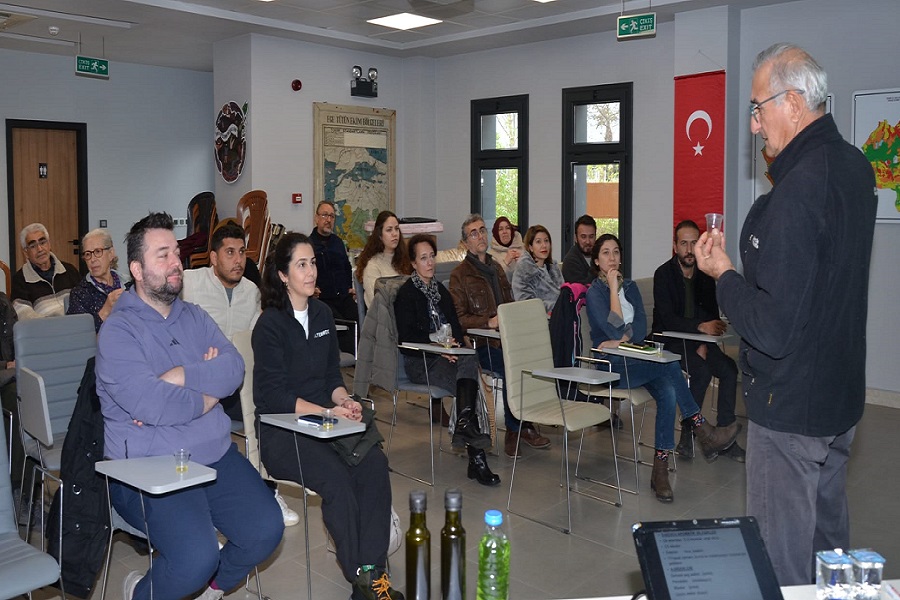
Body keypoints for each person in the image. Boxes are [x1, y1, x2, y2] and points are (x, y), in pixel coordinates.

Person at [696, 43, 877, 586]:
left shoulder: (796, 191)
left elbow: (772, 327)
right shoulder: (854, 166)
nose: (754, 126)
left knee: (782, 566)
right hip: (838, 396)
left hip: (791, 406)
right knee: (828, 549)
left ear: (793, 103)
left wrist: (724, 275)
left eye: (758, 108)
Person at [95, 212, 283, 600]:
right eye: (162, 255)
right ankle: (143, 593)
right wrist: (206, 383)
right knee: (197, 557)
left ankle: (210, 591)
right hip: (147, 468)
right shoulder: (118, 331)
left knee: (266, 528)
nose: (176, 262)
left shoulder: (194, 316)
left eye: (176, 252)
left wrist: (181, 373)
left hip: (211, 455)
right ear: (137, 269)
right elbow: (152, 402)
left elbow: (233, 368)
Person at [252, 232, 403, 600]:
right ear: (283, 275)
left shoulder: (321, 313)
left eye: (313, 262)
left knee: (373, 465)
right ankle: (361, 578)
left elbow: (332, 378)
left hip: (326, 423)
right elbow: (272, 397)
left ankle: (373, 574)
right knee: (337, 481)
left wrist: (345, 400)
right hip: (283, 432)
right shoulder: (269, 325)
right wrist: (326, 410)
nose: (311, 271)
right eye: (301, 264)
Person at [586, 234, 739, 503]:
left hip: (636, 359)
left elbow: (642, 329)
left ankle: (660, 470)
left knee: (668, 389)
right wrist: (612, 290)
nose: (612, 258)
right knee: (669, 365)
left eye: (616, 252)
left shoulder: (631, 287)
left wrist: (623, 335)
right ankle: (702, 429)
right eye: (606, 253)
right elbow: (613, 328)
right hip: (609, 365)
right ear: (597, 260)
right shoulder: (594, 292)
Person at [180, 220, 300, 528]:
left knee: (272, 410)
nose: (237, 260)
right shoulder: (190, 283)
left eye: (241, 252)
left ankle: (268, 488)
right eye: (229, 252)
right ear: (213, 257)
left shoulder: (252, 291)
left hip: (242, 384)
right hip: (202, 384)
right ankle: (209, 501)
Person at [395, 234, 500, 486]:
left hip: (449, 356)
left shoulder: (440, 290)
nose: (430, 263)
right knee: (470, 389)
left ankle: (464, 425)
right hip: (421, 361)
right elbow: (407, 339)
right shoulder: (406, 294)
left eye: (432, 256)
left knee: (469, 359)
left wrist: (453, 346)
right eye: (423, 258)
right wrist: (436, 347)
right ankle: (477, 461)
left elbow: (455, 325)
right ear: (412, 263)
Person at [450, 214, 551, 458]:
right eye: (473, 233)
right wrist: (488, 322)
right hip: (481, 344)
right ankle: (515, 430)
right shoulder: (459, 275)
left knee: (535, 358)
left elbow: (510, 303)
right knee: (511, 366)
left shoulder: (496, 268)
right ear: (465, 243)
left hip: (507, 339)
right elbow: (459, 319)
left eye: (482, 230)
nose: (481, 235)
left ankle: (528, 420)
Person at [652, 220, 745, 462]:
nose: (689, 249)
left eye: (694, 243)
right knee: (701, 371)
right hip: (669, 341)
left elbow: (711, 315)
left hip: (697, 340)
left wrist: (703, 339)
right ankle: (688, 435)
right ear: (675, 246)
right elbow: (667, 319)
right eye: (684, 243)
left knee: (728, 369)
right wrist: (699, 329)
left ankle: (725, 435)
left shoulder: (704, 276)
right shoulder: (663, 274)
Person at [310, 201, 358, 353]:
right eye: (324, 215)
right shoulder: (309, 244)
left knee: (360, 320)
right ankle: (350, 358)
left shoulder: (338, 243)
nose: (328, 220)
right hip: (323, 299)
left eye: (331, 216)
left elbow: (346, 267)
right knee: (342, 326)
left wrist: (350, 287)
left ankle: (362, 360)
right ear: (316, 218)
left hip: (343, 296)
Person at [11, 223, 81, 319]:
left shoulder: (69, 270)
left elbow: (83, 301)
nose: (40, 249)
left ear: (49, 244)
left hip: (75, 327)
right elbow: (23, 315)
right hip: (45, 331)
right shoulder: (20, 280)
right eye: (33, 246)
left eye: (42, 242)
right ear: (25, 253)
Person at [66, 228, 125, 332]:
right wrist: (105, 311)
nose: (92, 259)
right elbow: (78, 336)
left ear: (111, 254)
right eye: (88, 254)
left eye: (98, 252)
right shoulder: (79, 294)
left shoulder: (129, 284)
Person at [355, 210, 411, 308]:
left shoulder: (404, 260)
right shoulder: (372, 266)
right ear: (380, 235)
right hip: (383, 319)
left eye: (396, 229)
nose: (394, 234)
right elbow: (378, 305)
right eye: (389, 230)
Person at [511, 224, 564, 313]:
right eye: (538, 242)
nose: (544, 245)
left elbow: (562, 294)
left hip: (559, 315)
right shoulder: (524, 269)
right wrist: (556, 307)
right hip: (538, 320)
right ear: (531, 247)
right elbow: (526, 303)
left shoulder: (553, 267)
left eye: (546, 241)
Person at [561, 214, 598, 285]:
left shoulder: (599, 255)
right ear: (575, 238)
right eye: (583, 237)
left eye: (591, 236)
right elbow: (582, 290)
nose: (587, 241)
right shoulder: (570, 261)